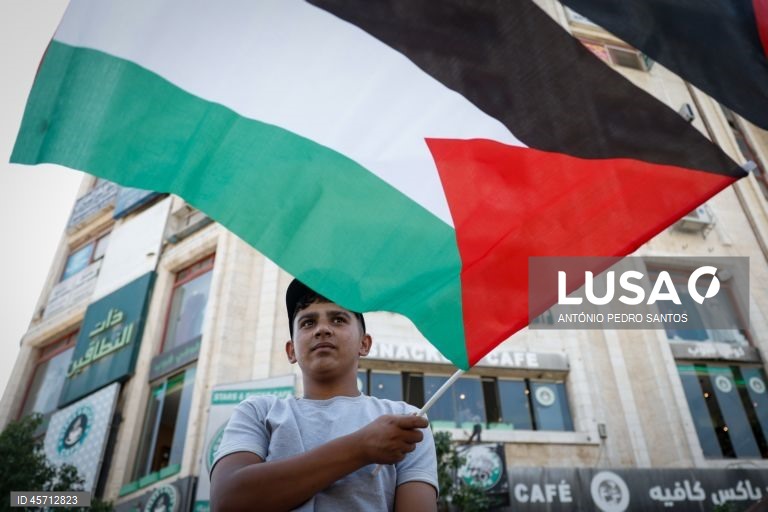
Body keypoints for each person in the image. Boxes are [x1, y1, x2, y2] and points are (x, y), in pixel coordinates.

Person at [210, 279, 438, 511]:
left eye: (338, 320)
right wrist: (360, 447)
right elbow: (226, 500)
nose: (322, 329)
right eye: (308, 323)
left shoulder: (406, 419)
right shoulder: (258, 411)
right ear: (291, 351)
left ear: (364, 344)